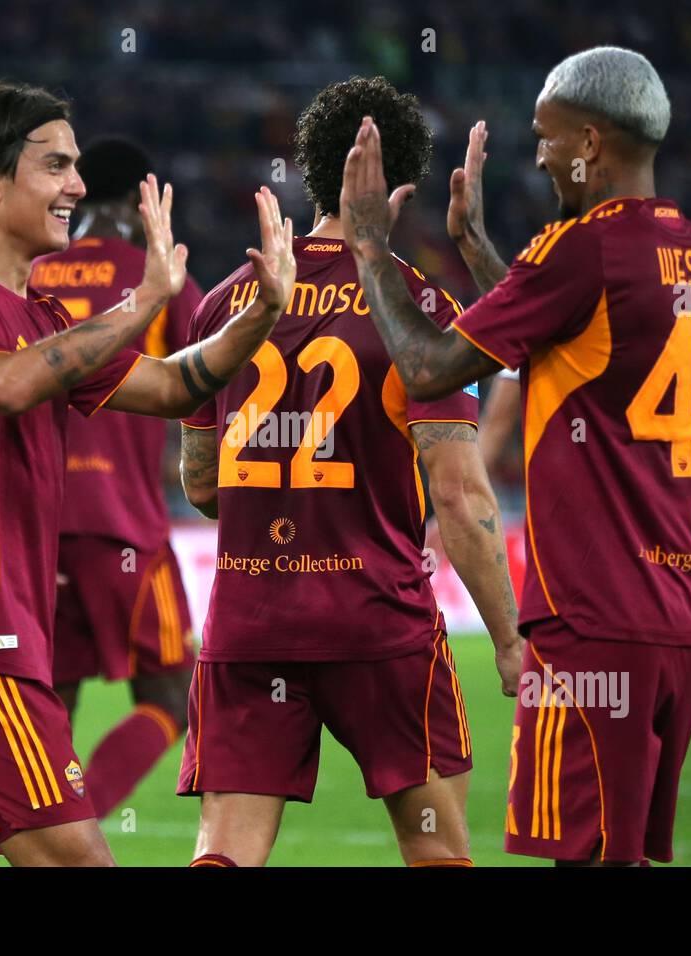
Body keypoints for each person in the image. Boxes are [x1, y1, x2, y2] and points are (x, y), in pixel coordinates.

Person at [0, 81, 295, 867]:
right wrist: (141, 301)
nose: (75, 186)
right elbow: (7, 385)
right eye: (55, 166)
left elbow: (170, 386)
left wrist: (260, 316)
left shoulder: (44, 317)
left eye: (75, 168)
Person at [341, 47, 691, 865]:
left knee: (579, 857)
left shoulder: (582, 247)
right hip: (687, 610)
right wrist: (485, 253)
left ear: (591, 142)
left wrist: (372, 248)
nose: (541, 155)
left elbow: (427, 367)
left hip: (596, 611)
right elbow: (573, 341)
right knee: (611, 855)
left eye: (547, 139)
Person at [177, 76, 522, 868]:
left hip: (249, 622)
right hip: (377, 621)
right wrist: (509, 638)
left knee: (224, 853)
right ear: (401, 186)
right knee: (435, 849)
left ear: (311, 171)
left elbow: (201, 486)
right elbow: (461, 493)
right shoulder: (424, 313)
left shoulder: (228, 301)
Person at [30, 138, 203, 818]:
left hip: (35, 528)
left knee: (52, 701)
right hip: (123, 523)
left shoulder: (34, 272)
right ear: (142, 200)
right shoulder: (156, 276)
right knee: (171, 697)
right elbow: (207, 381)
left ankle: (45, 838)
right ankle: (84, 827)